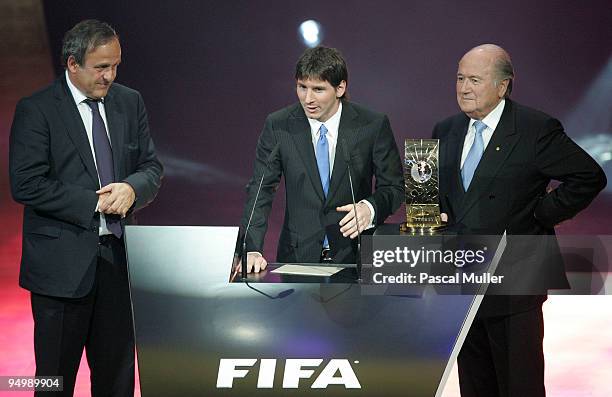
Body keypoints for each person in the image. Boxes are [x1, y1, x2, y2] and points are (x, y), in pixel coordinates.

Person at [432, 44, 606, 396]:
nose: (464, 88)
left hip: (516, 279)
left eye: (475, 80)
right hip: (463, 281)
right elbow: (437, 194)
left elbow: (588, 176)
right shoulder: (445, 130)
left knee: (518, 385)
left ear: (503, 85)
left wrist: (542, 214)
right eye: (460, 78)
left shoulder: (534, 128)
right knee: (474, 383)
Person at [9, 19, 163, 396]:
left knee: (117, 377)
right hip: (59, 270)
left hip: (118, 262)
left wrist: (132, 187)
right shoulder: (38, 109)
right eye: (101, 67)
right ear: (72, 64)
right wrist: (94, 204)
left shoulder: (130, 101)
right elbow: (26, 183)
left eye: (115, 65)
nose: (110, 75)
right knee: (53, 380)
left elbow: (151, 167)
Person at [241, 46, 403, 272]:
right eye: (302, 87)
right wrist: (251, 248)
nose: (308, 99)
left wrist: (370, 208)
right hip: (297, 257)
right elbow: (261, 189)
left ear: (340, 88)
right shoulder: (279, 126)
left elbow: (395, 187)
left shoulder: (372, 126)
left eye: (318, 89)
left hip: (356, 257)